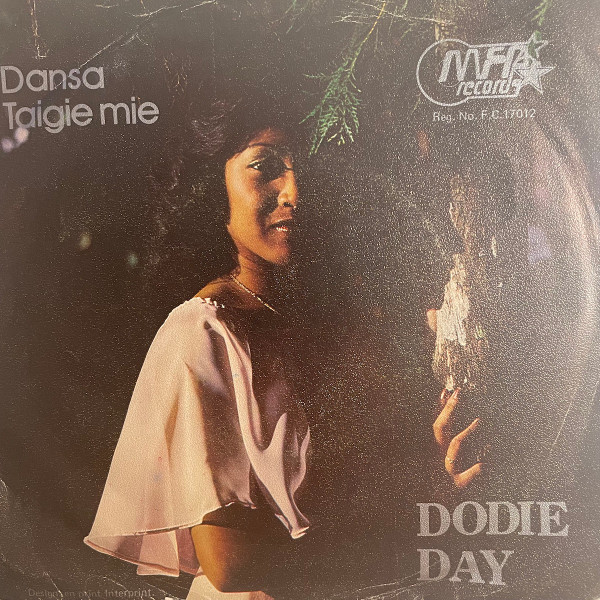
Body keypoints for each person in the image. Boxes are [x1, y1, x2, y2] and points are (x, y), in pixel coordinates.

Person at [84, 98, 483, 600]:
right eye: (266, 167)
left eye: (305, 169)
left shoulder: (331, 319)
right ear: (214, 187)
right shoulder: (204, 332)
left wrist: (436, 475)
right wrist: (405, 526)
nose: (295, 191)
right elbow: (231, 565)